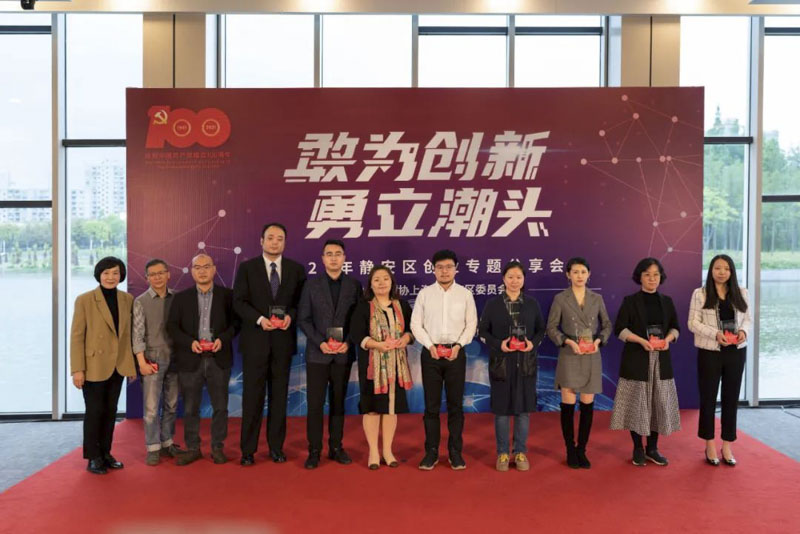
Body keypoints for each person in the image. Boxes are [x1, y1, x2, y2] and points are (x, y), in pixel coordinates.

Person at [234, 223, 306, 466]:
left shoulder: (296, 269)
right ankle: (248, 450)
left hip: (282, 344)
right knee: (252, 398)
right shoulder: (247, 268)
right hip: (255, 342)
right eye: (271, 238)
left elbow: (301, 304)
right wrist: (259, 319)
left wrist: (290, 317)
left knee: (279, 398)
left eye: (280, 238)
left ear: (285, 242)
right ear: (261, 241)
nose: (275, 242)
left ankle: (276, 447)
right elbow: (239, 302)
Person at [167, 253, 238, 466]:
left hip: (218, 358)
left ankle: (217, 447)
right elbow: (172, 327)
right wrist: (189, 342)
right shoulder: (181, 298)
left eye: (207, 266)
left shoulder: (228, 296)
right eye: (198, 267)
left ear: (214, 269)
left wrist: (223, 339)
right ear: (192, 271)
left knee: (220, 407)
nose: (202, 271)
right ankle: (193, 448)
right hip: (190, 359)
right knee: (190, 408)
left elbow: (236, 324)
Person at [297, 239, 362, 469]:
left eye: (338, 253)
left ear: (344, 258)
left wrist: (348, 342)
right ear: (323, 258)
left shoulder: (354, 285)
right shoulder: (311, 286)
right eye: (329, 254)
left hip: (343, 354)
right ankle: (314, 450)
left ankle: (336, 447)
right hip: (318, 354)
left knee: (338, 402)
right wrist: (320, 343)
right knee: (315, 404)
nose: (334, 258)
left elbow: (359, 319)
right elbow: (303, 319)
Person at [411, 249, 478, 471]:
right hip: (430, 354)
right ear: (433, 270)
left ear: (456, 269)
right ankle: (431, 452)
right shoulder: (425, 294)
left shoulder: (465, 294)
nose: (444, 271)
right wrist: (429, 345)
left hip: (455, 354)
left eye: (449, 267)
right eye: (440, 267)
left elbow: (471, 324)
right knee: (431, 406)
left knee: (455, 406)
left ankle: (455, 452)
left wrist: (459, 345)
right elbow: (415, 324)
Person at [610, 258, 681, 467]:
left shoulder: (667, 301)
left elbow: (676, 328)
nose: (652, 278)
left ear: (661, 277)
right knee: (637, 405)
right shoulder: (630, 301)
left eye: (656, 274)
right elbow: (619, 329)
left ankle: (652, 448)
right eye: (647, 274)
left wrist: (668, 340)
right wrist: (641, 341)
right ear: (639, 277)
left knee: (657, 404)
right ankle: (637, 448)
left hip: (660, 360)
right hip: (637, 359)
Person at [70, 256, 136, 475]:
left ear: (121, 275)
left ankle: (106, 453)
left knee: (110, 412)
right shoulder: (85, 300)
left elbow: (128, 336)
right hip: (94, 366)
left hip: (118, 365)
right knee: (94, 411)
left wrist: (131, 366)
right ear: (98, 275)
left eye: (115, 273)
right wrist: (77, 369)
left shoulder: (127, 299)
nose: (110, 277)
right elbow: (77, 337)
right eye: (106, 273)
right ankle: (93, 457)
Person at [478, 261, 545, 472]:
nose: (514, 281)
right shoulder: (493, 304)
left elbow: (541, 330)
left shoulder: (532, 303)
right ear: (503, 279)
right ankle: (503, 453)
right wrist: (500, 344)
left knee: (523, 410)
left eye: (518, 277)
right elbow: (482, 332)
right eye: (510, 277)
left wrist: (533, 343)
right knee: (502, 410)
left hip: (525, 363)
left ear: (523, 280)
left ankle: (520, 451)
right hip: (501, 363)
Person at [546, 257, 611, 469]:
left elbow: (607, 325)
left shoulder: (597, 298)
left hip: (591, 354)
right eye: (575, 272)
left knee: (587, 405)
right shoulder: (560, 298)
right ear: (568, 274)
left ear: (589, 274)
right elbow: (551, 327)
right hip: (570, 353)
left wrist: (599, 341)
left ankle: (582, 449)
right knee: (567, 404)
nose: (579, 276)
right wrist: (567, 341)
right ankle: (570, 449)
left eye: (583, 272)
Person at [688, 254, 751, 467]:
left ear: (731, 271)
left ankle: (727, 444)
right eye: (717, 268)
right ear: (711, 270)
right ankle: (709, 444)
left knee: (731, 399)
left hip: (736, 352)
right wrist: (715, 334)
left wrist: (743, 331)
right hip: (710, 352)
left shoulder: (742, 293)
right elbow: (692, 323)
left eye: (726, 268)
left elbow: (748, 319)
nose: (722, 272)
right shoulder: (700, 293)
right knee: (708, 398)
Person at [350, 265, 414, 470]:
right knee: (372, 409)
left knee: (390, 408)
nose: (381, 283)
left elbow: (411, 330)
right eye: (376, 279)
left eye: (385, 278)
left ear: (392, 282)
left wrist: (405, 339)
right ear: (370, 284)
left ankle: (387, 450)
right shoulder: (363, 307)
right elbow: (356, 334)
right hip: (372, 366)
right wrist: (377, 345)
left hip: (397, 365)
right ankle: (373, 452)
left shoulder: (402, 306)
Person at [132, 258, 183, 466]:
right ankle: (153, 447)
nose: (157, 277)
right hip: (152, 358)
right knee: (152, 408)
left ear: (168, 274)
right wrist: (141, 362)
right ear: (147, 278)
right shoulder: (141, 301)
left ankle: (167, 442)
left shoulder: (178, 298)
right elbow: (137, 334)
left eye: (161, 273)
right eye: (152, 274)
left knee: (171, 404)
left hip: (176, 358)